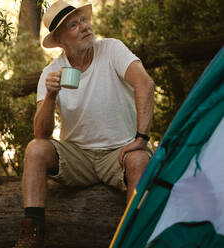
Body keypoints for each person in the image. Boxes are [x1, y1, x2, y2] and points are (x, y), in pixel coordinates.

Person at [13, 1, 155, 247]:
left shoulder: (112, 49)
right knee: (35, 149)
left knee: (141, 158)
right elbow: (41, 133)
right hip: (78, 158)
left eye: (84, 21)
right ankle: (32, 233)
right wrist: (51, 96)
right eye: (74, 25)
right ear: (60, 40)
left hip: (118, 153)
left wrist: (141, 138)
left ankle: (136, 238)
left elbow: (145, 83)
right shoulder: (51, 73)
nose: (84, 27)